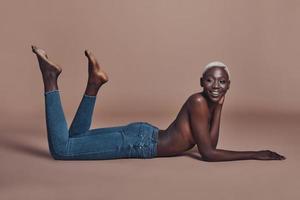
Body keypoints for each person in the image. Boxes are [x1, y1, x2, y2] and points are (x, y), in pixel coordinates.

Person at [32, 45, 285, 161]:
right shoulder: (197, 101)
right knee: (63, 149)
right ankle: (50, 79)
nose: (216, 86)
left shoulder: (209, 104)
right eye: (210, 81)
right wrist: (254, 154)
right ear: (201, 82)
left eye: (221, 83)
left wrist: (219, 107)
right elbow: (207, 152)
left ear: (228, 85)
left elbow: (209, 142)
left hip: (143, 134)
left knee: (77, 138)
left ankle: (94, 84)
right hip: (139, 142)